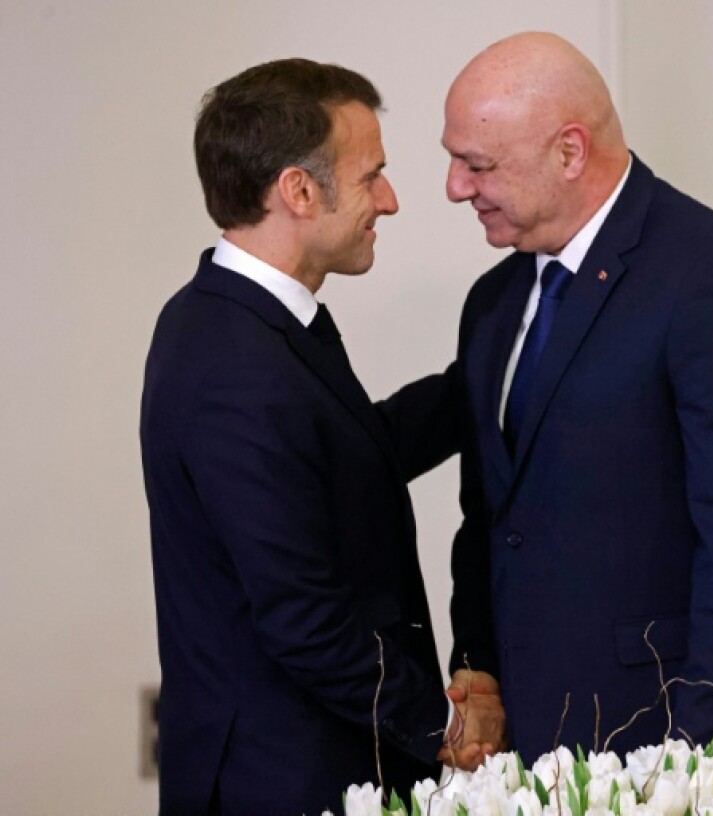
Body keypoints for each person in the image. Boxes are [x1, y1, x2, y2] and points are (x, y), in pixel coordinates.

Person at [442, 32, 713, 761]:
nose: (454, 187)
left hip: (677, 750)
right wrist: (475, 666)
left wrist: (696, 766)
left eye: (476, 164)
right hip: (537, 758)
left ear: (569, 152)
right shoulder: (494, 300)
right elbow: (490, 518)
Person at [140, 58, 501, 815]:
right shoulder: (233, 364)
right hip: (280, 783)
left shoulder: (237, 318)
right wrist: (444, 726)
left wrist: (504, 369)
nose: (392, 201)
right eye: (372, 175)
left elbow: (353, 455)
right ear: (299, 192)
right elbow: (304, 622)